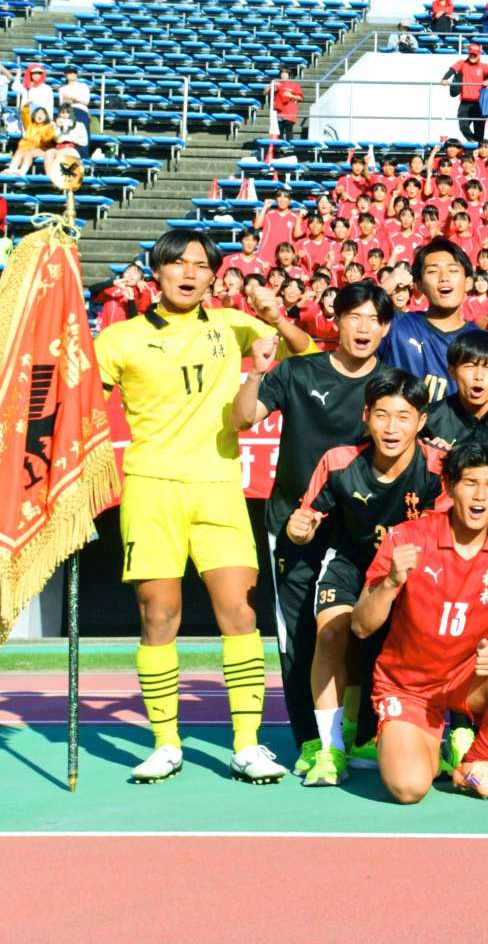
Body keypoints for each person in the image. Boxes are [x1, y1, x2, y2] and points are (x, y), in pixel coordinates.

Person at [94, 229, 314, 784]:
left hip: (218, 486)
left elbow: (303, 351)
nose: (189, 273)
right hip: (150, 487)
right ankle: (166, 742)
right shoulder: (118, 339)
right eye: (178, 263)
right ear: (157, 272)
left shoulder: (232, 325)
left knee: (239, 613)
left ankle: (247, 743)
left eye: (200, 264)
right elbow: (80, 404)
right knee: (158, 616)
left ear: (215, 276)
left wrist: (273, 313)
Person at [232, 281, 395, 778]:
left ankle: (364, 733)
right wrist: (256, 375)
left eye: (374, 320)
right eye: (354, 317)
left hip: (363, 529)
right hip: (294, 522)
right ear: (335, 321)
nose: (364, 328)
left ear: (385, 328)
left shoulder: (393, 382)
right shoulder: (298, 371)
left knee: (370, 628)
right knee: (301, 635)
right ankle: (311, 739)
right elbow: (243, 419)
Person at [351, 439, 488, 802]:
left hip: (466, 679)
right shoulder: (407, 537)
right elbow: (361, 626)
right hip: (407, 686)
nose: (480, 495)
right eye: (470, 482)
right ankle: (415, 741)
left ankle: (474, 763)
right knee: (409, 789)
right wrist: (391, 582)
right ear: (450, 486)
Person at [284, 369, 445, 786]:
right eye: (383, 415)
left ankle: (442, 738)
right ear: (366, 416)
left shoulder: (438, 468)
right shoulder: (339, 462)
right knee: (331, 634)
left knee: (427, 642)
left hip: (413, 568)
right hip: (351, 563)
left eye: (404, 416)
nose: (392, 427)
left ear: (422, 421)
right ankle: (330, 747)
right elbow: (306, 518)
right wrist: (299, 526)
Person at [377, 238, 479, 402]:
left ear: (468, 282)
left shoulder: (480, 341)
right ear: (418, 285)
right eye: (432, 271)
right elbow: (352, 321)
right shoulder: (397, 326)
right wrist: (385, 287)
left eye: (453, 270)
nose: (444, 277)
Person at [440, 43, 488, 144]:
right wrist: (444, 79)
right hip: (465, 102)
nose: (472, 56)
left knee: (479, 130)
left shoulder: (484, 66)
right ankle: (474, 143)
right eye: (471, 54)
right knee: (463, 126)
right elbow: (451, 71)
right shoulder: (462, 63)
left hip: (479, 103)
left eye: (475, 54)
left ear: (479, 55)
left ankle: (479, 146)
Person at [270, 65, 303, 142]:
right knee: (279, 133)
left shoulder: (295, 85)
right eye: (282, 73)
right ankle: (280, 151)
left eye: (285, 73)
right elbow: (265, 92)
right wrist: (271, 85)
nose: (283, 75)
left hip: (289, 113)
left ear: (289, 75)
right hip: (278, 112)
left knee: (289, 132)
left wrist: (291, 95)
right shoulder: (277, 83)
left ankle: (290, 150)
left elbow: (300, 98)